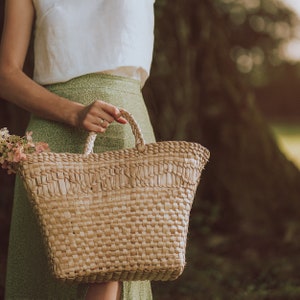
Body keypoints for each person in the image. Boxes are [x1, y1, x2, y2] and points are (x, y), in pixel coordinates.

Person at [0, 0, 156, 299]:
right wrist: (73, 113)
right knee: (52, 274)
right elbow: (7, 74)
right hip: (55, 132)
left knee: (113, 267)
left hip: (124, 128)